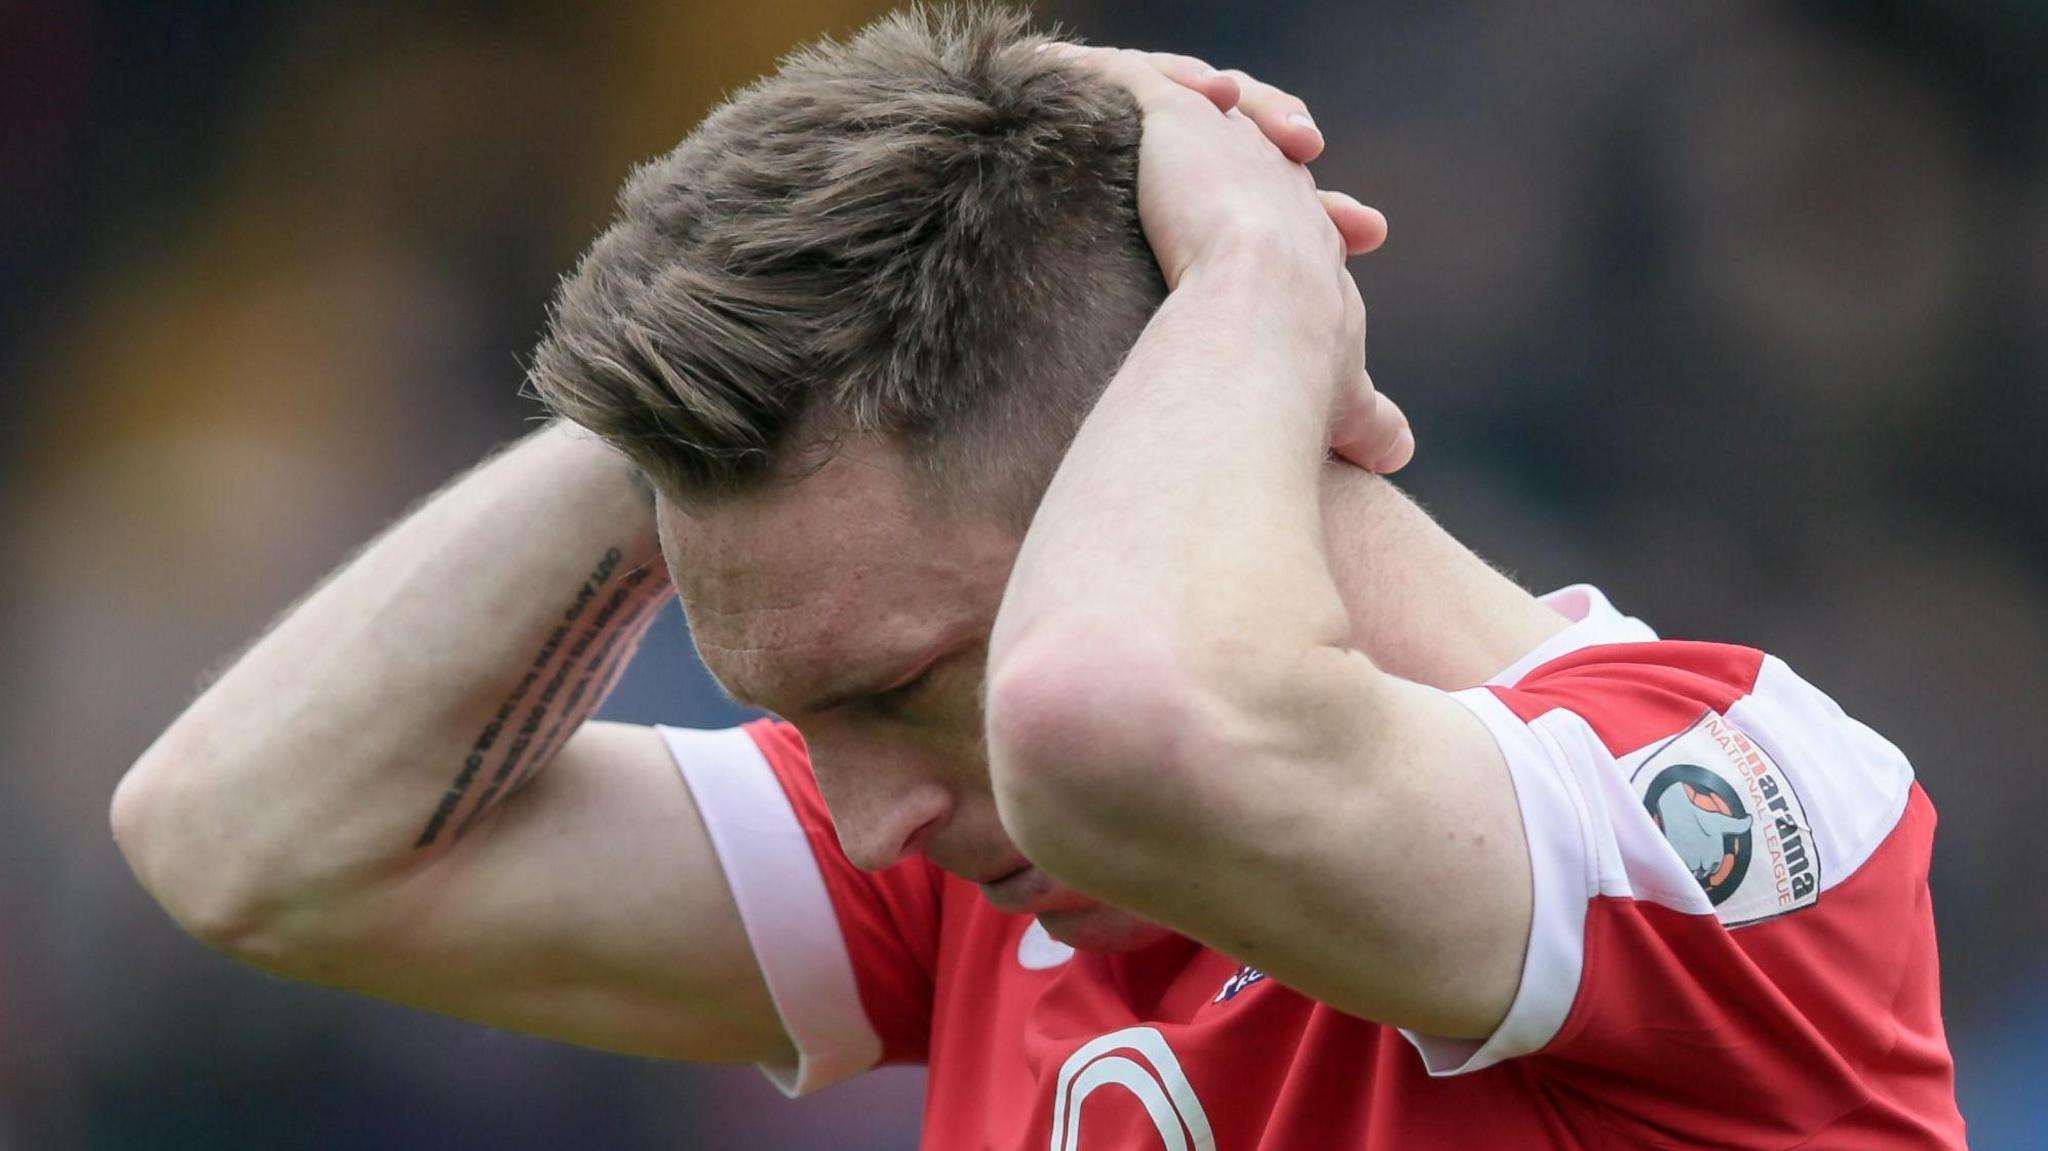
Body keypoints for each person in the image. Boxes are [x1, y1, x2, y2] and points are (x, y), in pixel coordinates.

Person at [112, 9, 1965, 1148]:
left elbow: (1115, 719)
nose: (865, 820)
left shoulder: (1710, 805)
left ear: (1214, 436)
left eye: (901, 682)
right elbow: (244, 835)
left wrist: (1251, 268)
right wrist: (717, 359)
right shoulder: (1011, 871)